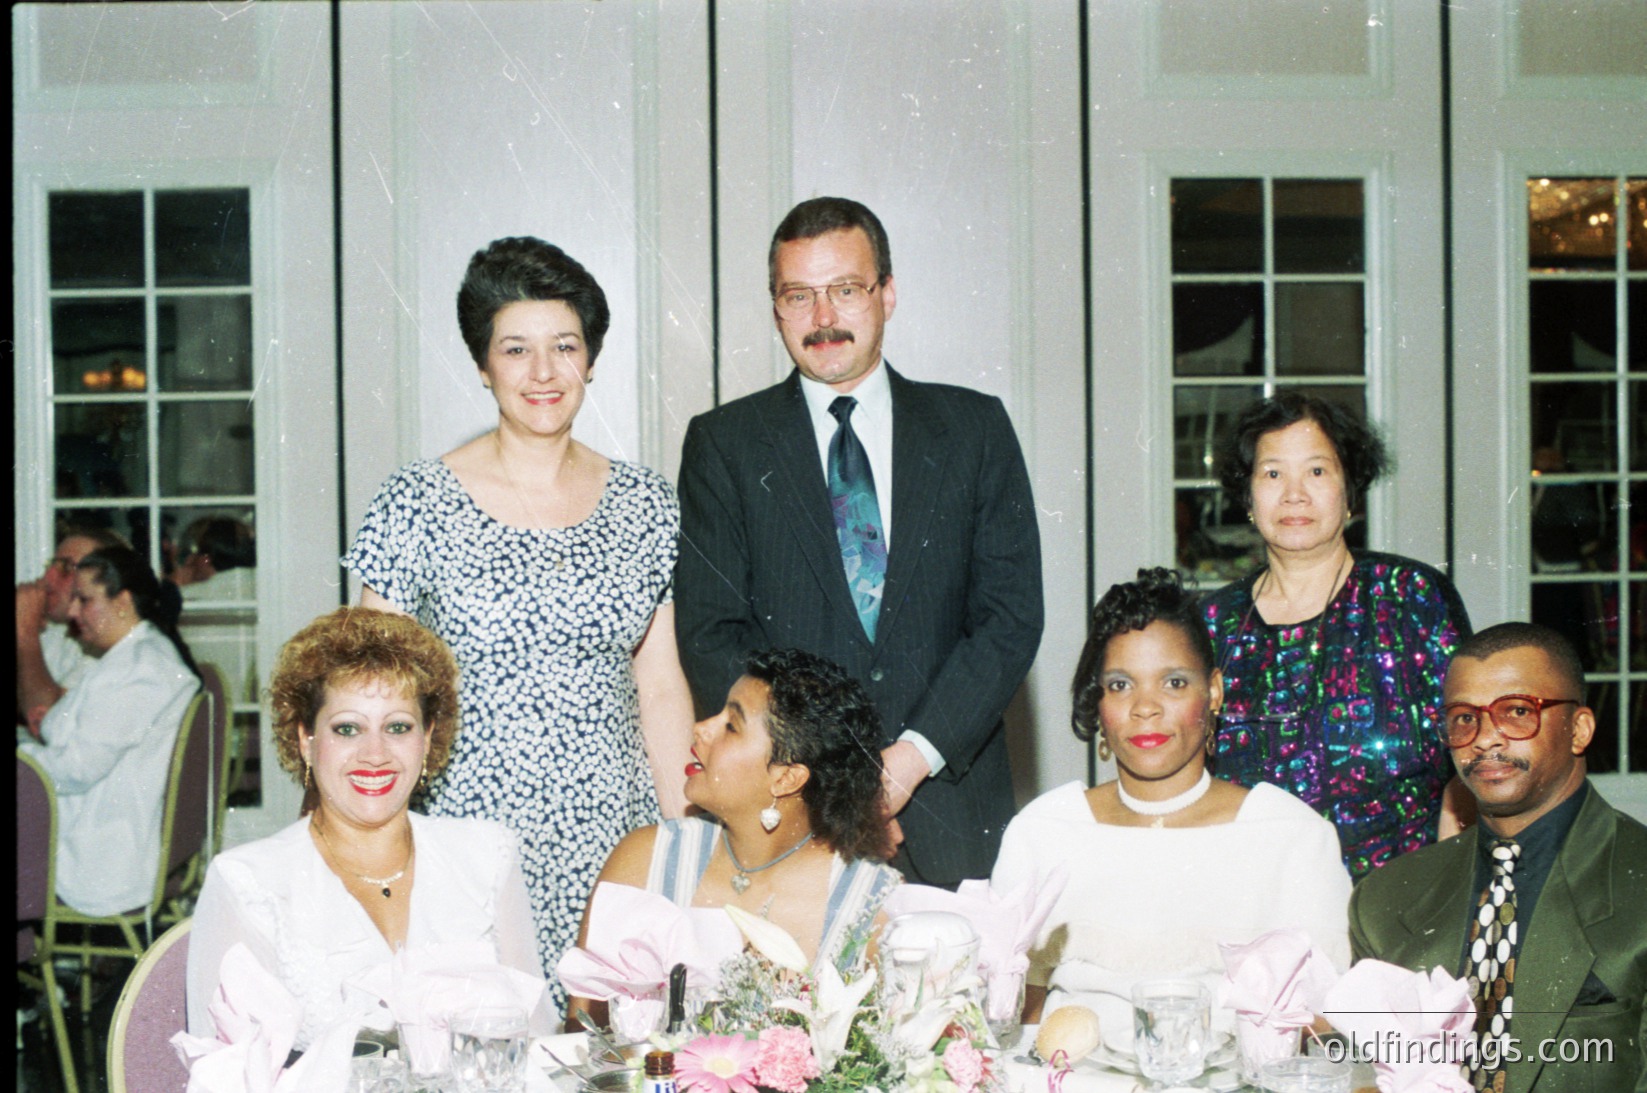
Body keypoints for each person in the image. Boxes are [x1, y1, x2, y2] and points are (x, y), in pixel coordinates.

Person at [343, 237, 694, 1006]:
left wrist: (687, 845)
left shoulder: (645, 502)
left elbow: (659, 683)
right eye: (516, 349)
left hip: (614, 843)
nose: (542, 372)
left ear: (591, 360)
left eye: (564, 346)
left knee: (615, 1058)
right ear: (482, 364)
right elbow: (366, 698)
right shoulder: (414, 502)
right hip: (464, 844)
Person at [675, 196, 1044, 887]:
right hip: (792, 813)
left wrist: (904, 762)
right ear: (775, 307)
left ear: (887, 294)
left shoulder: (974, 430)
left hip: (949, 807)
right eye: (799, 295)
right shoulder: (723, 445)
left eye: (845, 290)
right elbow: (711, 634)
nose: (823, 319)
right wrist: (831, 780)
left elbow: (1009, 618)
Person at [994, 568, 1351, 1034]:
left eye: (1175, 683)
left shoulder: (1290, 836)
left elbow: (1323, 1025)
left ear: (1215, 691)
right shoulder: (1042, 831)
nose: (1146, 707)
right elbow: (1014, 1021)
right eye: (1121, 684)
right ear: (1098, 702)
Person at [188, 608, 546, 1051]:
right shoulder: (249, 882)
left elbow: (537, 1040)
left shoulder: (487, 855)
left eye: (398, 726)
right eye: (347, 728)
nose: (374, 753)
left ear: (428, 736)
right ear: (306, 739)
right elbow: (230, 1074)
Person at [1348, 623, 1646, 1093]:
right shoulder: (1384, 900)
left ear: (1579, 729)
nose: (1485, 738)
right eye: (1465, 718)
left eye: (1517, 711)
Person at [1203, 392, 1473, 878]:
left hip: (1403, 905)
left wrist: (1448, 886)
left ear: (1350, 491)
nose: (1294, 493)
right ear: (1247, 496)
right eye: (1272, 473)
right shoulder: (1213, 623)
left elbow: (1473, 748)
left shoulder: (1411, 596)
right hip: (1254, 905)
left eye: (1317, 471)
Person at [568, 647, 902, 1026]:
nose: (701, 728)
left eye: (731, 725)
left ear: (785, 778)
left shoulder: (870, 904)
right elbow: (585, 1031)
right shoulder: (646, 860)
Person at [18, 546, 201, 916]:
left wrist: (23, 749)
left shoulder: (140, 670)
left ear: (123, 601)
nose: (71, 612)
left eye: (83, 600)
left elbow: (73, 770)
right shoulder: (134, 656)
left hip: (98, 859)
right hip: (101, 832)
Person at [15, 526, 129, 726]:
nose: (47, 577)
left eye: (66, 568)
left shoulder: (111, 644)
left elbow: (50, 724)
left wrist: (26, 631)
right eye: (51, 565)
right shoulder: (55, 631)